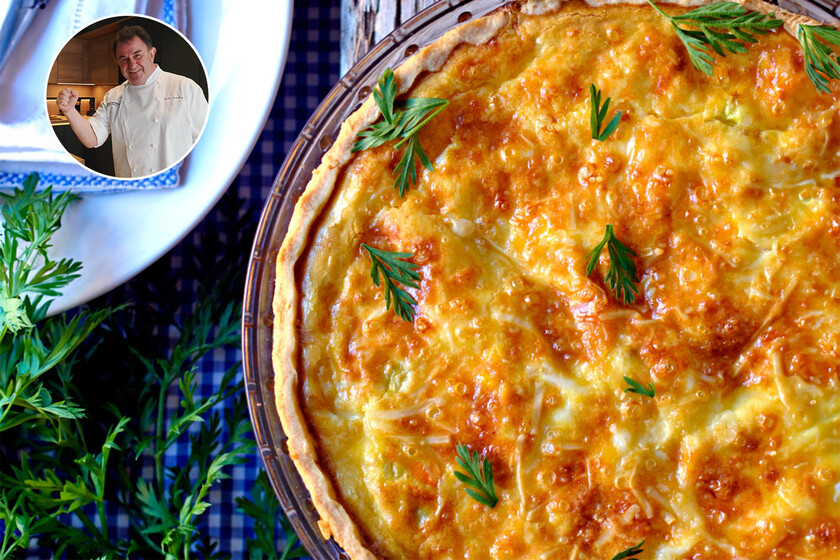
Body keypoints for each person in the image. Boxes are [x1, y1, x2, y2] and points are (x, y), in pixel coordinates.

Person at [56, 25, 208, 178]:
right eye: (124, 59)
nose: (132, 64)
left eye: (137, 55)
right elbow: (92, 139)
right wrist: (69, 110)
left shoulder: (185, 88)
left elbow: (208, 142)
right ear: (117, 62)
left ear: (152, 54)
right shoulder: (113, 96)